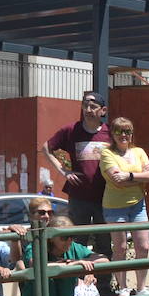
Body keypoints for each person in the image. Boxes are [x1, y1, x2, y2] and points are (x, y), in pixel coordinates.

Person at [41, 91, 113, 268]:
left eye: (93, 106)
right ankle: (77, 282)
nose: (88, 109)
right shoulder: (71, 130)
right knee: (75, 241)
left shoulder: (110, 132)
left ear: (103, 110)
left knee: (104, 242)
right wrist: (64, 171)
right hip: (79, 198)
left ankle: (104, 288)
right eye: (85, 105)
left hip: (107, 198)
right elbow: (46, 148)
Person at [17, 213, 107, 296]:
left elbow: (104, 259)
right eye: (64, 237)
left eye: (72, 236)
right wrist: (71, 264)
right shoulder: (36, 246)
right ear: (52, 238)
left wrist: (82, 264)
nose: (69, 241)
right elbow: (36, 264)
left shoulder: (74, 248)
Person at [96, 115, 149, 296]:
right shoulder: (107, 153)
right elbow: (116, 180)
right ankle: (122, 287)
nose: (123, 135)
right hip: (115, 206)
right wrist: (138, 179)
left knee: (143, 246)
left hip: (138, 204)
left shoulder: (139, 152)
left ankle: (141, 287)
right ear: (112, 134)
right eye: (119, 131)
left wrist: (128, 176)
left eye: (127, 131)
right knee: (120, 248)